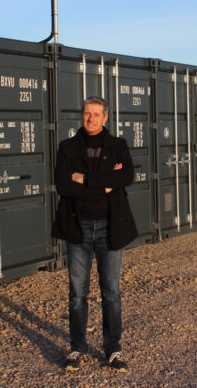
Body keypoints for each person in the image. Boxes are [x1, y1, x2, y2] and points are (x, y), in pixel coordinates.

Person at [52, 96, 138, 372]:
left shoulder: (118, 146)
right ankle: (77, 347)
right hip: (78, 227)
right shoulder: (67, 147)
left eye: (96, 114)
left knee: (111, 291)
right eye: (87, 113)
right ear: (82, 116)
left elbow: (126, 178)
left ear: (106, 118)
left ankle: (113, 348)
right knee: (77, 293)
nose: (91, 118)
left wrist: (86, 179)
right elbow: (64, 186)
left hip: (109, 227)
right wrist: (104, 184)